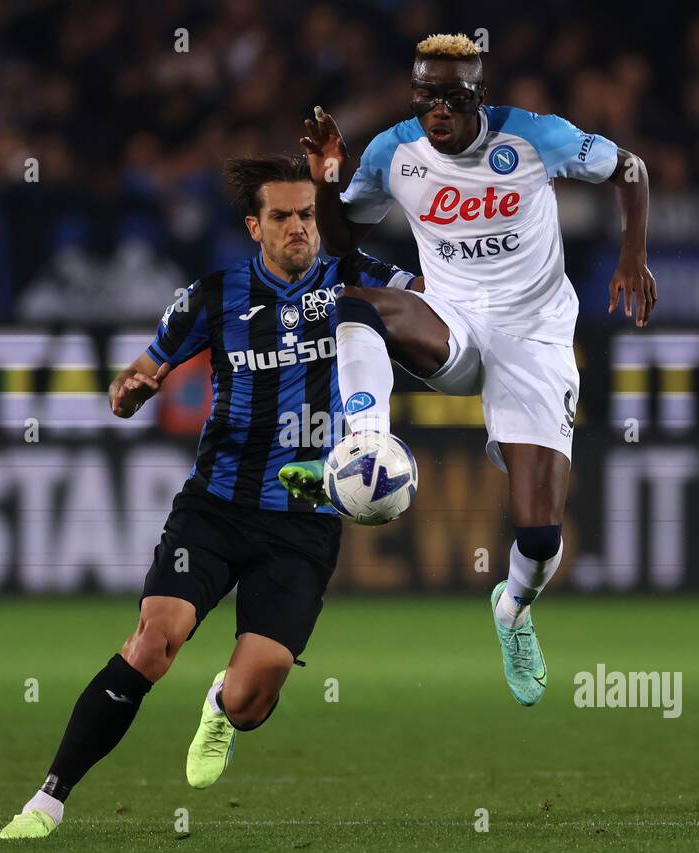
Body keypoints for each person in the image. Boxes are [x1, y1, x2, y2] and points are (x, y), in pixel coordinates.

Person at [0, 154, 422, 838]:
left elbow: (445, 303)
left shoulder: (360, 276)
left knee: (255, 699)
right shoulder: (213, 295)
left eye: (308, 215)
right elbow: (140, 372)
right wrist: (131, 391)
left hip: (306, 521)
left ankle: (222, 705)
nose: (298, 229)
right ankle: (46, 801)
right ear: (255, 225)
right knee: (152, 643)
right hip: (217, 508)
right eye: (281, 216)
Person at [280, 33, 657, 706]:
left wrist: (634, 255)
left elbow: (630, 169)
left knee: (539, 537)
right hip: (452, 319)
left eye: (454, 98)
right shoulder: (395, 151)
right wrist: (326, 178)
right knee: (353, 306)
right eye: (427, 98)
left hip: (536, 338)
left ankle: (513, 608)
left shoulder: (537, 137)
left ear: (479, 96)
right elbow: (342, 241)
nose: (439, 113)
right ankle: (362, 444)